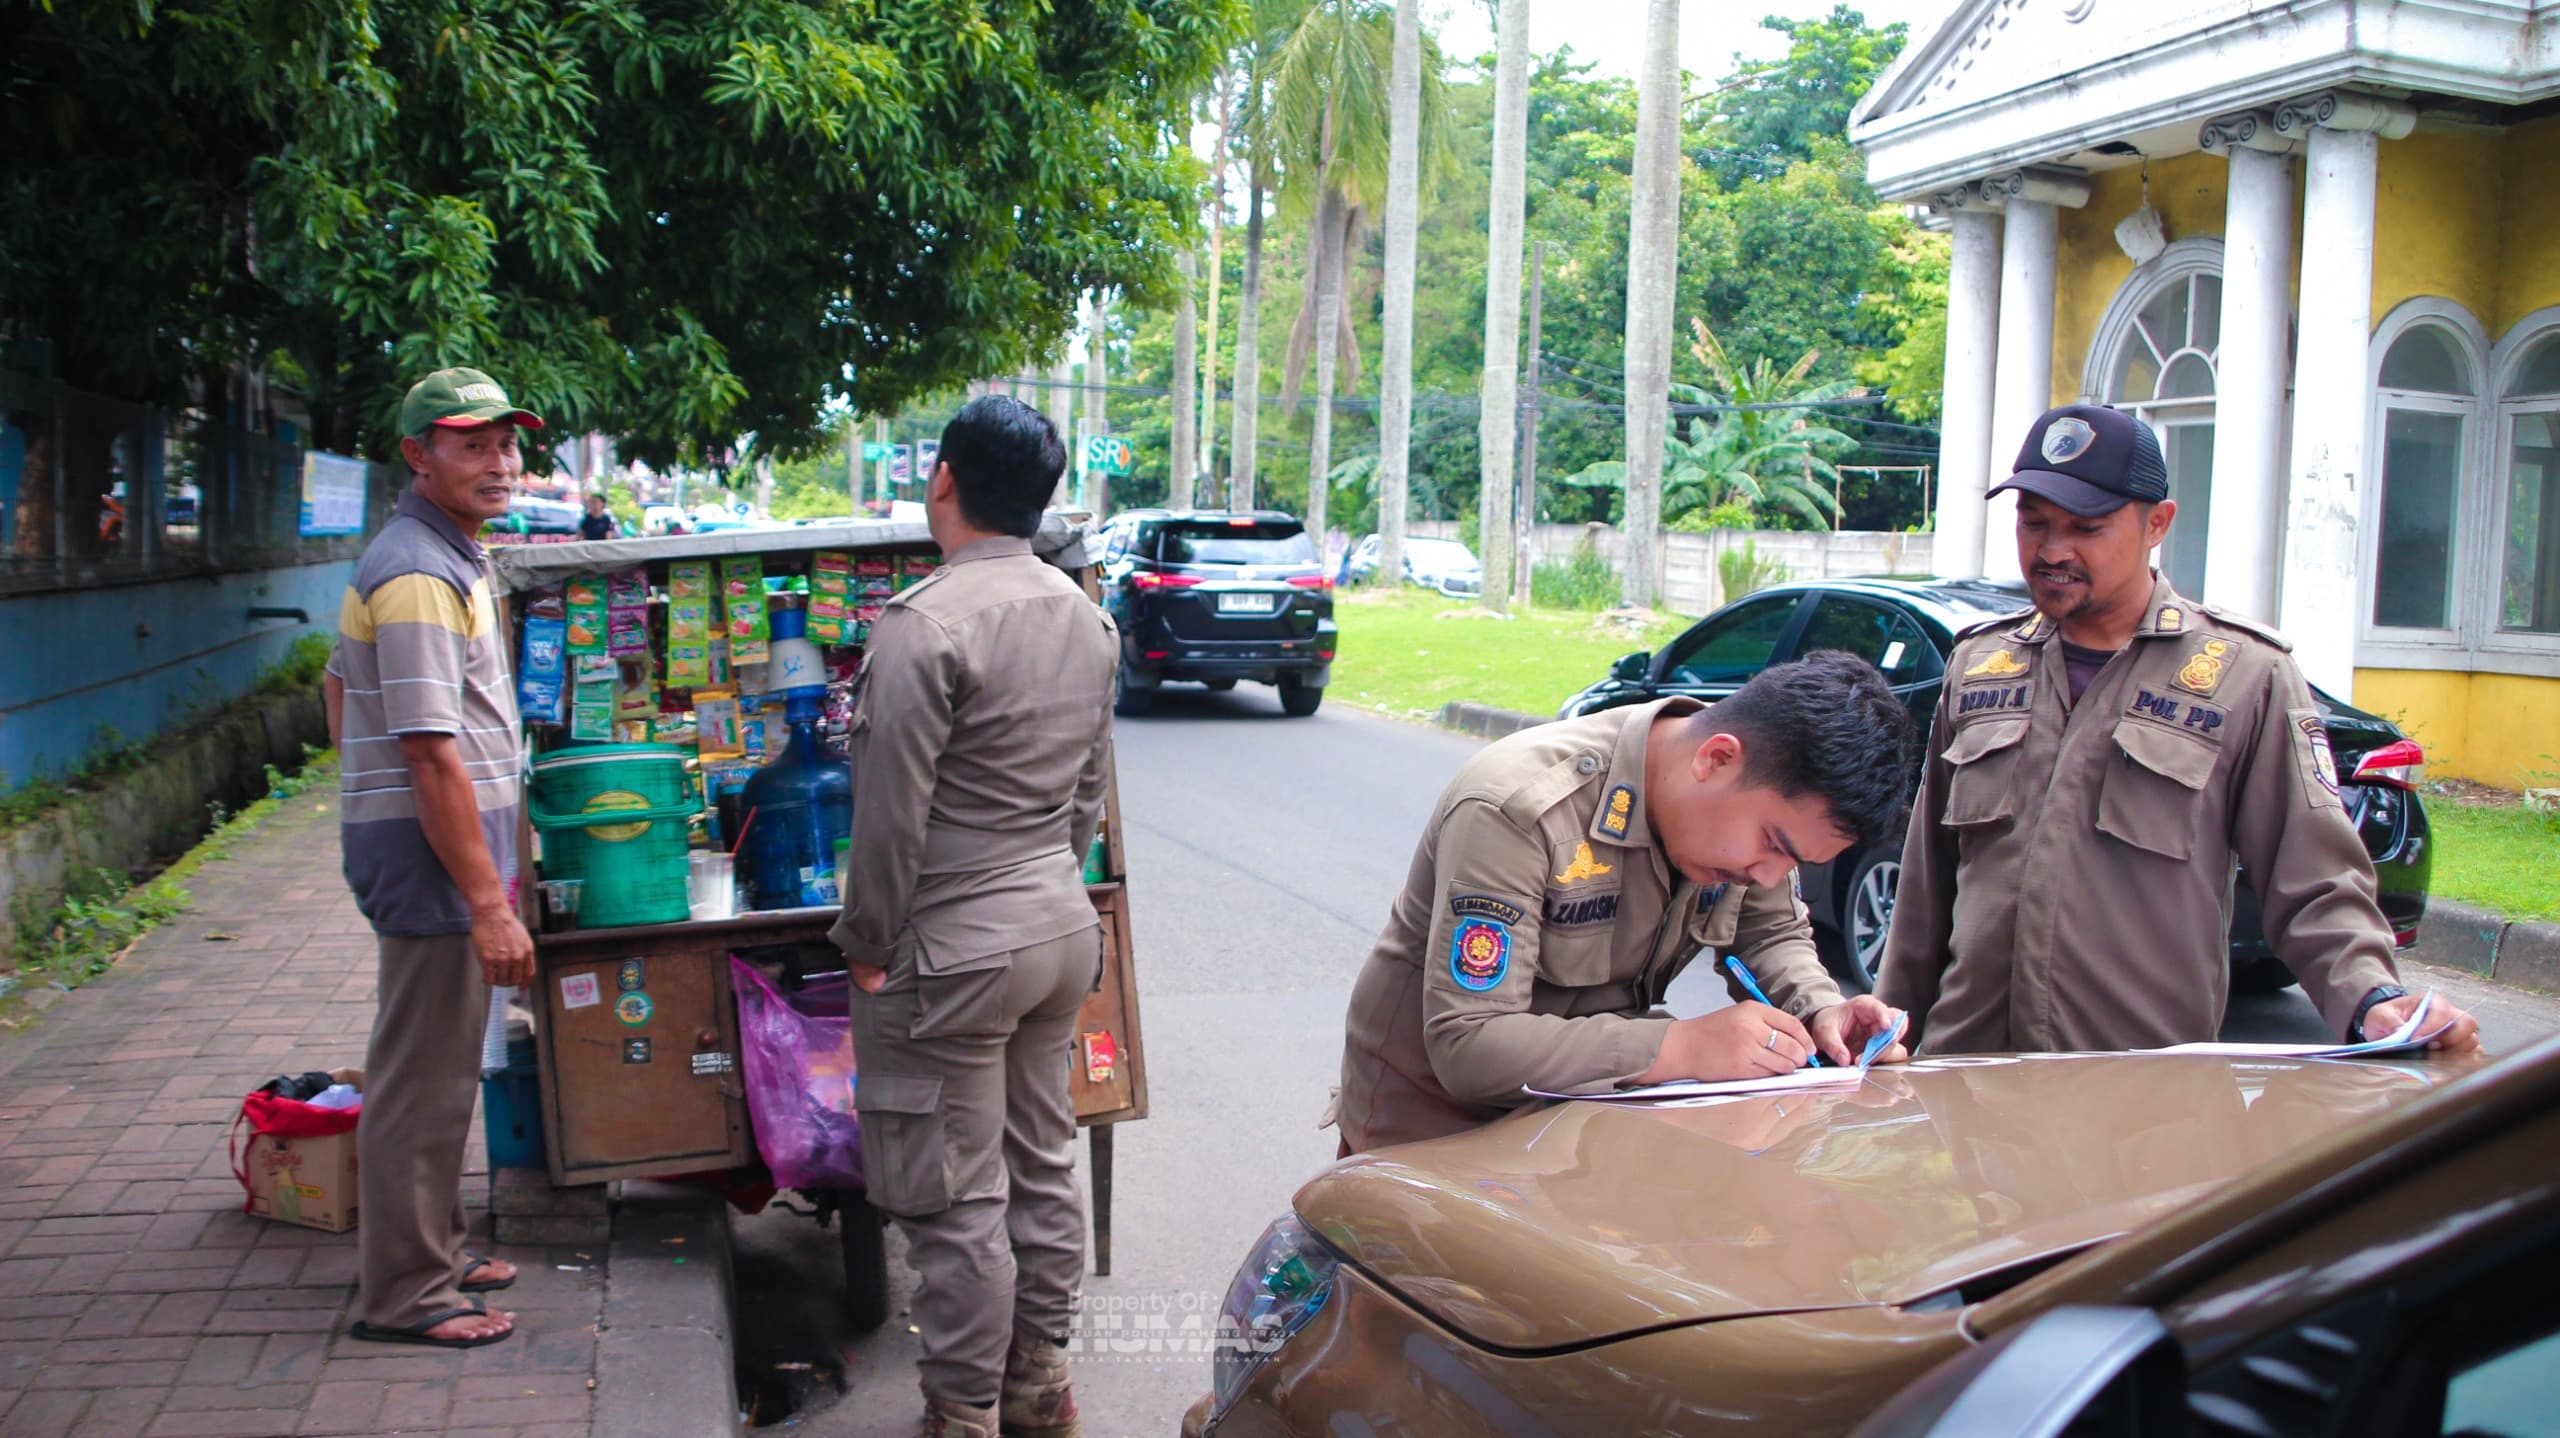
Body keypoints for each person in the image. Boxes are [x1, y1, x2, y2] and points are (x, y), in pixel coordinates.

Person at [1877, 403, 2482, 1056]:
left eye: (2086, 527)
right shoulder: (1979, 664)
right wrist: (1884, 1037)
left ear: (2157, 523)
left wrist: (2375, 1001)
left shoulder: (2245, 676)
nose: (2053, 550)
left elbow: (2314, 881)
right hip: (1971, 1097)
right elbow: (1925, 893)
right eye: (2034, 522)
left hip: (2144, 1110)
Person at [831, 395, 1118, 1438]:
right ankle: (1038, 1386)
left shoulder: (926, 623)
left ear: (942, 476)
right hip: (1053, 926)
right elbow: (1087, 795)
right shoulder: (1085, 617)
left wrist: (866, 945)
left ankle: (961, 1413)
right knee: (1041, 1160)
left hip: (951, 943)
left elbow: (889, 818)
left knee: (954, 1199)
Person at [1333, 652, 1921, 1155]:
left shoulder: (1740, 824)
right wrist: (1683, 1046)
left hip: (1580, 1125)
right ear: (1716, 759)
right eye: (1773, 845)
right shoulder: (1520, 807)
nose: (1767, 874)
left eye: (1794, 864)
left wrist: (1822, 1015)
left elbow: (1769, 936)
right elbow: (1471, 1045)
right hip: (1432, 1133)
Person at [322, 367, 544, 1349]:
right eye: (472, 444)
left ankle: (435, 1247)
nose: (500, 463)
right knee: (420, 1072)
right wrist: (485, 898)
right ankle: (403, 1292)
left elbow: (338, 687)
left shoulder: (447, 554)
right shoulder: (416, 569)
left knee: (449, 1063)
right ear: (418, 455)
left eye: (508, 444)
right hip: (432, 854)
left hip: (434, 842)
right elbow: (428, 748)